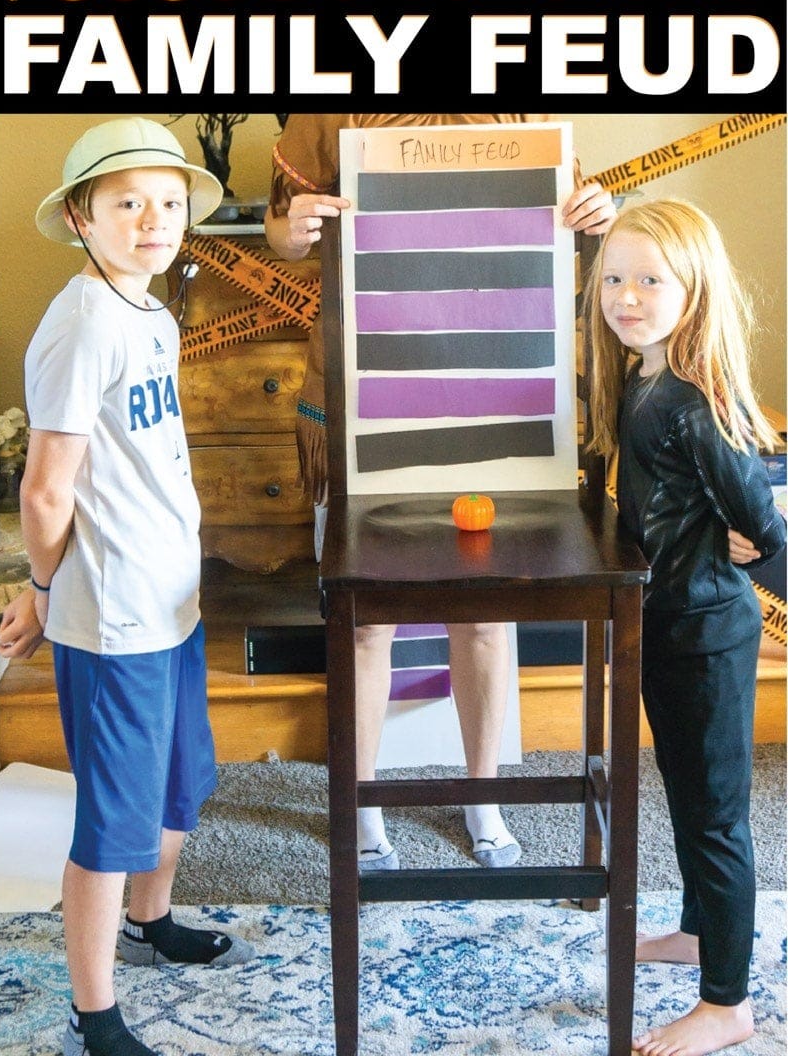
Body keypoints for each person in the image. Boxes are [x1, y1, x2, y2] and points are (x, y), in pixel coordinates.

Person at [265, 113, 618, 872]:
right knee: (363, 623)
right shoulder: (329, 101)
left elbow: (567, 214)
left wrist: (597, 216)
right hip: (366, 382)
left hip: (492, 387)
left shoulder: (514, 98)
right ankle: (360, 806)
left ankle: (481, 794)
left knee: (484, 616)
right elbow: (279, 235)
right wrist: (294, 229)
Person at [0, 117, 257, 1056]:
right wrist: (46, 586)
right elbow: (46, 487)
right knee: (115, 817)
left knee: (185, 779)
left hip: (169, 602)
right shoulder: (80, 322)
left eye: (170, 201)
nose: (154, 218)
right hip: (115, 622)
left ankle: (151, 922)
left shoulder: (145, 307)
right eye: (127, 202)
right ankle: (93, 1013)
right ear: (80, 217)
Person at [584, 197, 786, 1056]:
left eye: (651, 280)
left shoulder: (692, 402)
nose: (628, 295)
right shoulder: (643, 378)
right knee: (687, 795)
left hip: (708, 631)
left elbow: (765, 523)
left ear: (691, 288)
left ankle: (728, 1004)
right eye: (615, 278)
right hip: (667, 622)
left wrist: (752, 548)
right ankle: (703, 935)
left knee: (716, 817)